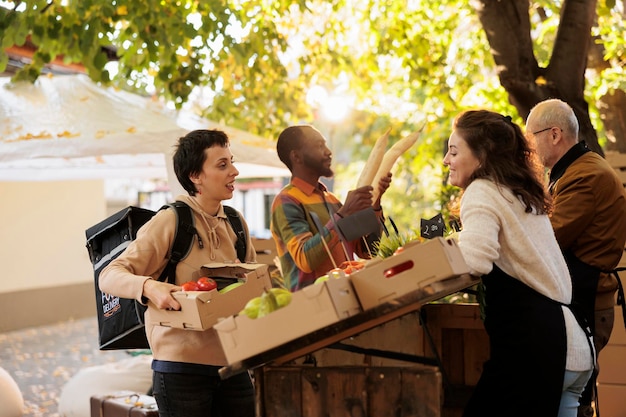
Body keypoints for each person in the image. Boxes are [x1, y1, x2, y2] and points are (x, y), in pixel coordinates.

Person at [443, 110, 594, 417]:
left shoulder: (482, 191)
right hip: (572, 347)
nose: (447, 159)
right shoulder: (519, 192)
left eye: (454, 151)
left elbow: (476, 260)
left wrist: (426, 261)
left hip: (536, 350)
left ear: (482, 156)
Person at [99, 129, 257, 417]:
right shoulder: (170, 221)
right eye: (222, 165)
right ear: (196, 175)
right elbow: (109, 275)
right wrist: (150, 287)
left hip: (233, 366)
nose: (234, 171)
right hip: (181, 372)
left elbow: (253, 286)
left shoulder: (236, 223)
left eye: (231, 162)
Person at [526, 98, 626, 417]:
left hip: (587, 303)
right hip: (579, 301)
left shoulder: (585, 176)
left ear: (554, 134)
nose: (529, 148)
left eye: (531, 138)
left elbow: (548, 241)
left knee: (572, 404)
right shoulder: (573, 170)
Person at [270, 124, 392, 291]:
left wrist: (376, 202)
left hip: (347, 296)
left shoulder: (332, 200)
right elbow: (305, 260)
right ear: (297, 157)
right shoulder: (286, 201)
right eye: (319, 146)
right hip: (315, 306)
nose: (328, 151)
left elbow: (368, 251)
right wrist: (343, 214)